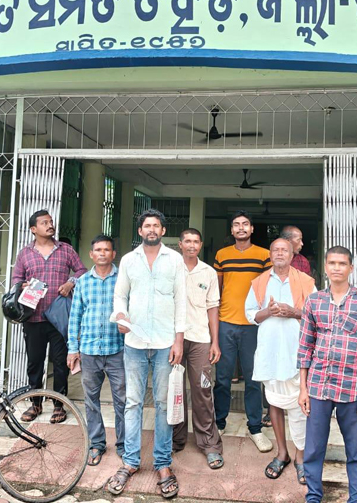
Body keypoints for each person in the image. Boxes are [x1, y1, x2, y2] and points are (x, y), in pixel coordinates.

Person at [107, 209, 186, 499]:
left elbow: (181, 301)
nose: (151, 229)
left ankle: (163, 464)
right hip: (135, 342)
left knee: (163, 404)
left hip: (166, 342)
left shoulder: (174, 259)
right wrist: (121, 315)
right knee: (133, 403)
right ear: (140, 231)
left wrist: (179, 340)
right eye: (147, 226)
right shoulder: (129, 260)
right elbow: (120, 295)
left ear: (163, 231)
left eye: (156, 225)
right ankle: (130, 461)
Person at [298, 246, 357, 503]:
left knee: (356, 450)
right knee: (314, 448)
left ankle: (355, 499)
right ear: (325, 267)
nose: (337, 268)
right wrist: (303, 388)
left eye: (342, 263)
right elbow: (305, 347)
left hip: (353, 388)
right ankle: (313, 496)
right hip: (318, 386)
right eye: (332, 263)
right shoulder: (314, 301)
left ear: (351, 268)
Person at [246, 238, 316, 485]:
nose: (279, 253)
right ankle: (282, 453)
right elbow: (250, 314)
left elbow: (316, 314)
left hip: (297, 352)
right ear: (270, 254)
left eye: (284, 250)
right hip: (270, 352)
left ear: (292, 254)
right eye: (275, 250)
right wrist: (269, 311)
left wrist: (293, 312)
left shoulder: (306, 281)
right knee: (274, 402)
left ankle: (300, 457)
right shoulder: (260, 282)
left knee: (299, 406)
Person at [12, 209, 87, 424]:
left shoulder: (66, 250)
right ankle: (35, 404)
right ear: (33, 229)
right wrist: (22, 285)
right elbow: (16, 278)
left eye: (51, 222)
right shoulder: (25, 253)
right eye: (44, 223)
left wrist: (71, 282)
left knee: (61, 363)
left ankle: (58, 405)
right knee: (34, 363)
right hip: (33, 317)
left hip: (59, 318)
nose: (50, 225)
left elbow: (82, 271)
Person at [213, 210, 273, 452]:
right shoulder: (222, 255)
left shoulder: (264, 255)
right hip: (226, 322)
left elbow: (268, 289)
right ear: (232, 230)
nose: (240, 228)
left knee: (253, 379)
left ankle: (255, 428)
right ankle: (219, 423)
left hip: (253, 325)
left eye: (245, 224)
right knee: (222, 378)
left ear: (251, 229)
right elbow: (216, 290)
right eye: (236, 224)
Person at [66, 235, 125, 467]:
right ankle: (97, 444)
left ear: (113, 254)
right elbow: (75, 317)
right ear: (91, 255)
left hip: (118, 349)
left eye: (106, 250)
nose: (102, 253)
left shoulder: (123, 279)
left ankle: (123, 445)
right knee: (91, 401)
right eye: (98, 250)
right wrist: (73, 349)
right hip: (89, 350)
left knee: (122, 400)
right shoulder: (82, 281)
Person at [172, 228, 225, 470]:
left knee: (202, 390)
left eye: (196, 241)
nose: (192, 245)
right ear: (180, 244)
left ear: (201, 245)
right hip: (173, 339)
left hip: (201, 339)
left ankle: (209, 444)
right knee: (175, 390)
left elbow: (213, 307)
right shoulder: (172, 269)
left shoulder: (209, 272)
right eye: (188, 241)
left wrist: (215, 341)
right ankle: (176, 439)